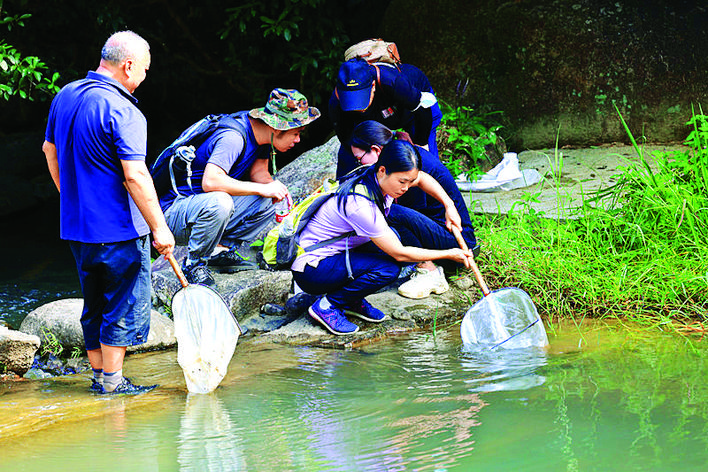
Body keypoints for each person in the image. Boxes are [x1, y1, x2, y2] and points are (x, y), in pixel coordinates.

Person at [42, 31, 175, 395]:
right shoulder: (124, 110)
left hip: (77, 226)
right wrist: (160, 227)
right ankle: (114, 386)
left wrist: (70, 197)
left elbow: (49, 150)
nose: (144, 77)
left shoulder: (65, 95)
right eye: (145, 69)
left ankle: (100, 377)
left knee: (93, 301)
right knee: (121, 302)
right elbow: (135, 174)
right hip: (118, 229)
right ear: (128, 65)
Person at [290, 140, 473, 335]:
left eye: (409, 182)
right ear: (383, 170)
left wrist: (449, 206)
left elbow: (422, 178)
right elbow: (400, 254)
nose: (406, 188)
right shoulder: (360, 204)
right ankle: (328, 306)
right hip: (313, 268)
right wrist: (449, 253)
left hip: (338, 252)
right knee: (389, 268)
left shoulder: (374, 173)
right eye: (402, 182)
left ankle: (351, 300)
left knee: (391, 238)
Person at [157, 88, 320, 287]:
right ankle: (194, 264)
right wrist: (261, 189)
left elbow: (259, 173)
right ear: (277, 128)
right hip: (173, 214)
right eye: (295, 133)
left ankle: (220, 252)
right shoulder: (233, 137)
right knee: (221, 201)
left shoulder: (262, 136)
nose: (298, 140)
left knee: (269, 198)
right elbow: (211, 182)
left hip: (201, 210)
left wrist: (275, 189)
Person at [348, 120, 479, 298]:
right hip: (438, 235)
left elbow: (410, 212)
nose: (360, 164)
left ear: (376, 150)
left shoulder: (406, 167)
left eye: (360, 159)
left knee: (388, 213)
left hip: (459, 244)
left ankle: (429, 269)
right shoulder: (400, 157)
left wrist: (450, 207)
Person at [329, 57, 442, 177]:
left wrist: (421, 146)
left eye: (361, 100)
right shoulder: (336, 103)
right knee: (351, 159)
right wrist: (390, 136)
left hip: (416, 111)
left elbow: (423, 112)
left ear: (373, 86)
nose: (358, 107)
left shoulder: (393, 82)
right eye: (350, 102)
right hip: (379, 117)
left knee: (425, 162)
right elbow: (347, 138)